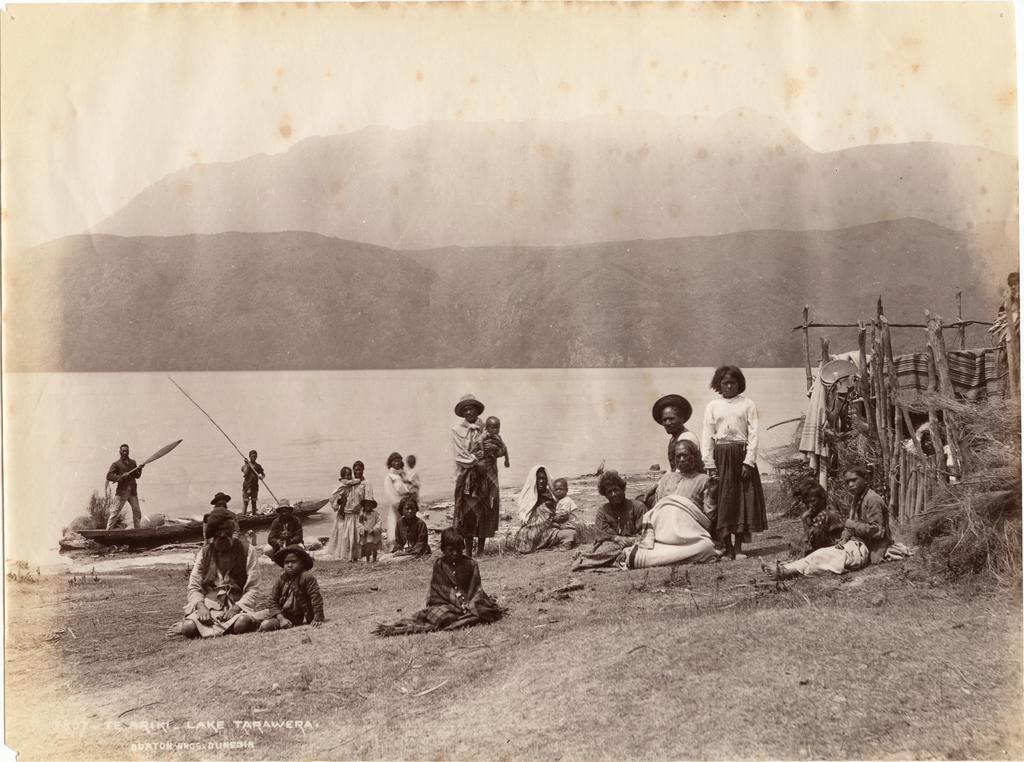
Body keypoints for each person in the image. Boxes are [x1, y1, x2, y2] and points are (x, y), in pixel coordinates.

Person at [765, 464, 892, 580]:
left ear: (866, 479)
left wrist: (853, 525)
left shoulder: (872, 499)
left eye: (854, 480)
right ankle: (784, 568)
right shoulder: (858, 498)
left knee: (829, 557)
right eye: (847, 482)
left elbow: (878, 532)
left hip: (866, 547)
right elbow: (850, 527)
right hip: (854, 543)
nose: (850, 485)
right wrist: (844, 539)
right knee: (822, 554)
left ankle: (787, 572)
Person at [374, 528, 505, 636]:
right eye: (450, 550)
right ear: (443, 549)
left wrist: (469, 604)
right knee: (439, 615)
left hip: (468, 603)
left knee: (483, 611)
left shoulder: (471, 564)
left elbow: (476, 589)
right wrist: (456, 604)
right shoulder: (440, 564)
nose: (455, 553)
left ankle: (465, 616)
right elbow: (437, 591)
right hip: (447, 604)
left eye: (459, 550)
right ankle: (462, 617)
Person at [167, 509, 273, 638]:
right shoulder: (204, 553)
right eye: (218, 531)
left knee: (241, 624)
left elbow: (253, 587)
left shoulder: (247, 550)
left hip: (237, 604)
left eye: (226, 530)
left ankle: (232, 624)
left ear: (232, 531)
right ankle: (206, 625)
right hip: (209, 606)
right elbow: (194, 587)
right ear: (212, 534)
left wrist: (236, 609)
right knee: (188, 628)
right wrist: (201, 607)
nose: (223, 534)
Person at [701, 366, 767, 560]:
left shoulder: (748, 404)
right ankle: (727, 547)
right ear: (719, 385)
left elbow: (753, 434)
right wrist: (709, 463)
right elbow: (707, 435)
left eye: (733, 383)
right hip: (721, 455)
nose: (729, 386)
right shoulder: (713, 406)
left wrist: (749, 462)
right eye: (725, 383)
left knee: (741, 500)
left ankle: (738, 548)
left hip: (741, 455)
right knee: (724, 500)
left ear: (739, 384)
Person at [571, 471, 647, 570]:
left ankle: (585, 559)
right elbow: (600, 533)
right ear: (605, 495)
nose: (614, 494)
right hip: (612, 544)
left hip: (634, 544)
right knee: (609, 549)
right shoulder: (603, 510)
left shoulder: (638, 507)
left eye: (616, 490)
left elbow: (645, 533)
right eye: (609, 492)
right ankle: (587, 559)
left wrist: (629, 541)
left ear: (623, 489)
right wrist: (617, 538)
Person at [621, 494, 720, 569]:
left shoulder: (653, 511)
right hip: (689, 541)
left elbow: (648, 538)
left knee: (641, 556)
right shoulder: (673, 502)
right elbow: (705, 521)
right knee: (706, 546)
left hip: (667, 539)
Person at [509, 466, 578, 553]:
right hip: (530, 534)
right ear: (534, 480)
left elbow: (556, 511)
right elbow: (527, 520)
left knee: (571, 533)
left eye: (543, 478)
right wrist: (553, 519)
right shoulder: (528, 498)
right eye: (538, 478)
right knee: (570, 534)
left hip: (548, 532)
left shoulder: (551, 495)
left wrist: (562, 518)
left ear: (547, 480)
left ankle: (549, 544)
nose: (541, 481)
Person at [450, 394, 487, 556]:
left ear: (477, 411)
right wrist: (474, 460)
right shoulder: (457, 431)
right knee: (467, 512)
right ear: (462, 413)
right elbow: (459, 453)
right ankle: (469, 551)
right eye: (466, 410)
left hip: (483, 473)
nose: (469, 412)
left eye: (472, 409)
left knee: (484, 510)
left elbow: (490, 446)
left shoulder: (485, 427)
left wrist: (484, 460)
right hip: (466, 474)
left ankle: (481, 550)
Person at [260, 546, 325, 631]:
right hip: (278, 613)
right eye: (287, 562)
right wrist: (281, 618)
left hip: (293, 617)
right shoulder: (281, 579)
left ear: (302, 563)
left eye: (294, 562)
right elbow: (272, 601)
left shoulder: (307, 577)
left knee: (266, 625)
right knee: (243, 622)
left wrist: (317, 617)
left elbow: (315, 597)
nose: (290, 565)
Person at [652, 394, 700, 471]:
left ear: (682, 418)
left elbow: (681, 470)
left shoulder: (687, 437)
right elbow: (672, 468)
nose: (667, 423)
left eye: (671, 419)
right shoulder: (673, 439)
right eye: (664, 420)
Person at [795, 483, 844, 557]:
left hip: (832, 549)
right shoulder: (816, 513)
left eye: (813, 501)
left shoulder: (830, 513)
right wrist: (805, 520)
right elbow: (809, 536)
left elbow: (834, 539)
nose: (810, 505)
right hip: (820, 547)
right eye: (807, 502)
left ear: (822, 498)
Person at [325, 467, 362, 562]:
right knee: (344, 536)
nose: (349, 476)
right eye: (346, 475)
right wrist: (339, 500)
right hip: (344, 514)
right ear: (343, 476)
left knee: (353, 536)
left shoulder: (352, 486)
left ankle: (353, 555)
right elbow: (333, 496)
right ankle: (345, 555)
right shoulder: (343, 485)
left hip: (352, 513)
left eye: (350, 474)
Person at [105, 443, 144, 529]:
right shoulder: (116, 464)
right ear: (120, 452)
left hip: (132, 492)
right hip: (121, 492)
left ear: (128, 451)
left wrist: (140, 469)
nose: (125, 452)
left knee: (137, 512)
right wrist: (121, 477)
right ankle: (108, 531)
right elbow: (109, 476)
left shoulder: (133, 463)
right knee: (115, 512)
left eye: (126, 451)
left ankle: (137, 531)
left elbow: (137, 476)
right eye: (123, 451)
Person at [382, 452, 413, 553]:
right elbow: (390, 494)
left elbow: (410, 487)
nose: (397, 463)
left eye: (399, 461)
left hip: (408, 504)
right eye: (394, 461)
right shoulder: (389, 477)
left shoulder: (402, 474)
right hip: (398, 505)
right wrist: (400, 505)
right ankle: (399, 546)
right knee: (398, 525)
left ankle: (410, 544)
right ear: (390, 463)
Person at [357, 497, 383, 563]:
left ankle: (374, 559)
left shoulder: (376, 514)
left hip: (373, 534)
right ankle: (367, 559)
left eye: (370, 505)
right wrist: (362, 529)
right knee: (367, 548)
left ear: (373, 506)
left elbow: (379, 522)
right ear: (364, 506)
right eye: (367, 505)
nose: (369, 506)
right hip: (366, 533)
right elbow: (359, 523)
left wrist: (375, 529)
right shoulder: (362, 514)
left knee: (374, 547)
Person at [240, 450, 265, 516]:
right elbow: (244, 471)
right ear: (250, 457)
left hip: (254, 486)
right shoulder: (246, 465)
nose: (253, 458)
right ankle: (243, 515)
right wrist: (247, 464)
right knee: (246, 501)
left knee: (254, 501)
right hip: (247, 486)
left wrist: (261, 477)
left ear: (256, 457)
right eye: (252, 456)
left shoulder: (258, 466)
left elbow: (263, 474)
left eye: (254, 456)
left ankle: (254, 515)